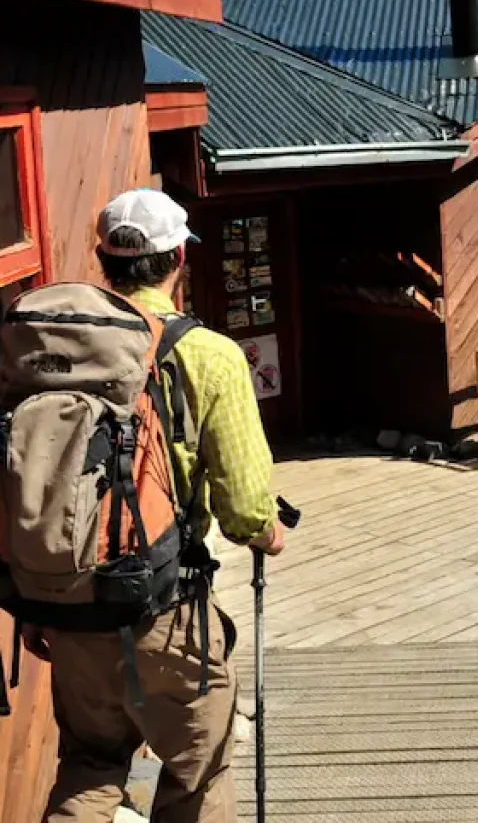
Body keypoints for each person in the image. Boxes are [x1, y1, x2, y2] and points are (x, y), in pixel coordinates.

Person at [27, 189, 286, 823]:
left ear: (103, 261)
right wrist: (268, 533)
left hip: (66, 602)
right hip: (166, 606)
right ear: (178, 260)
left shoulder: (53, 351)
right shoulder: (210, 355)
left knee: (90, 766)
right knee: (200, 769)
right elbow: (246, 508)